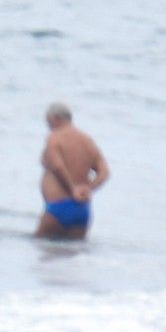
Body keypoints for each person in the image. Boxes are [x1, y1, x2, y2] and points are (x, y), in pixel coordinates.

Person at [35, 103, 109, 240]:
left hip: (58, 206)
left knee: (41, 250)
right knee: (73, 256)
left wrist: (72, 188)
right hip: (82, 210)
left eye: (48, 122)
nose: (48, 126)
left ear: (55, 118)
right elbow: (104, 172)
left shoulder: (54, 138)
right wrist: (88, 189)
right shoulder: (87, 140)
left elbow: (57, 166)